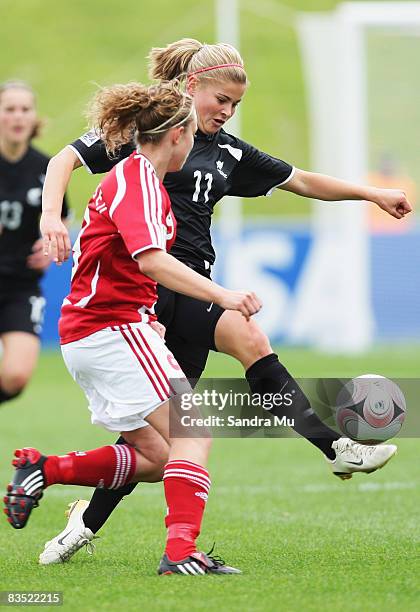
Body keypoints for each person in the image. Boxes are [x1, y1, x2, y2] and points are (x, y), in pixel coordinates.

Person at [37, 39, 410, 565]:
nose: (228, 112)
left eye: (235, 105)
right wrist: (52, 215)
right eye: (221, 101)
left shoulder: (228, 150)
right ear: (193, 87)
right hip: (148, 289)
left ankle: (86, 521)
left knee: (172, 436)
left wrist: (371, 193)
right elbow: (64, 159)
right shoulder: (154, 128)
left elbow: (300, 180)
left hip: (186, 288)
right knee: (172, 425)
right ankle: (335, 447)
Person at [4, 80, 262, 575]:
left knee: (155, 456)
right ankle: (181, 553)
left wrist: (149, 318)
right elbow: (152, 261)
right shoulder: (139, 179)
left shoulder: (133, 178)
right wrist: (224, 296)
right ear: (177, 135)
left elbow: (120, 263)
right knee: (195, 433)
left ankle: (42, 468)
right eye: (193, 134)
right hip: (110, 329)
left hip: (98, 332)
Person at [0, 80, 69, 406]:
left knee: (15, 377)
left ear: (34, 117)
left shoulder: (46, 168)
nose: (18, 116)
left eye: (24, 109)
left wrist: (49, 244)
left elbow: (62, 218)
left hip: (20, 285)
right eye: (9, 109)